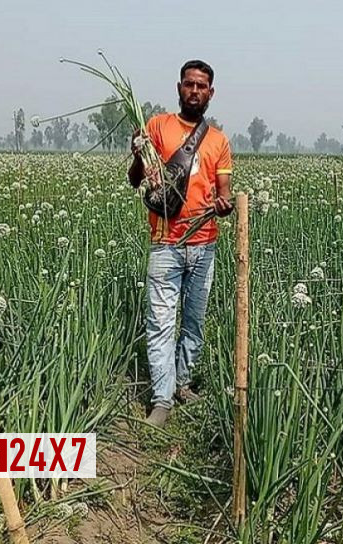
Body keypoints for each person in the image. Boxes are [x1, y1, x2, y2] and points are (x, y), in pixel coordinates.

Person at [128, 59, 234, 427]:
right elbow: (135, 179)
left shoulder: (219, 141)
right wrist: (139, 153)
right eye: (189, 84)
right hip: (165, 243)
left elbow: (224, 196)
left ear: (211, 93)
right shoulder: (158, 126)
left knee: (193, 322)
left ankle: (182, 382)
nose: (194, 91)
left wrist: (224, 206)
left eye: (201, 85)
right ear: (178, 88)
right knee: (160, 323)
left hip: (204, 245)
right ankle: (161, 400)